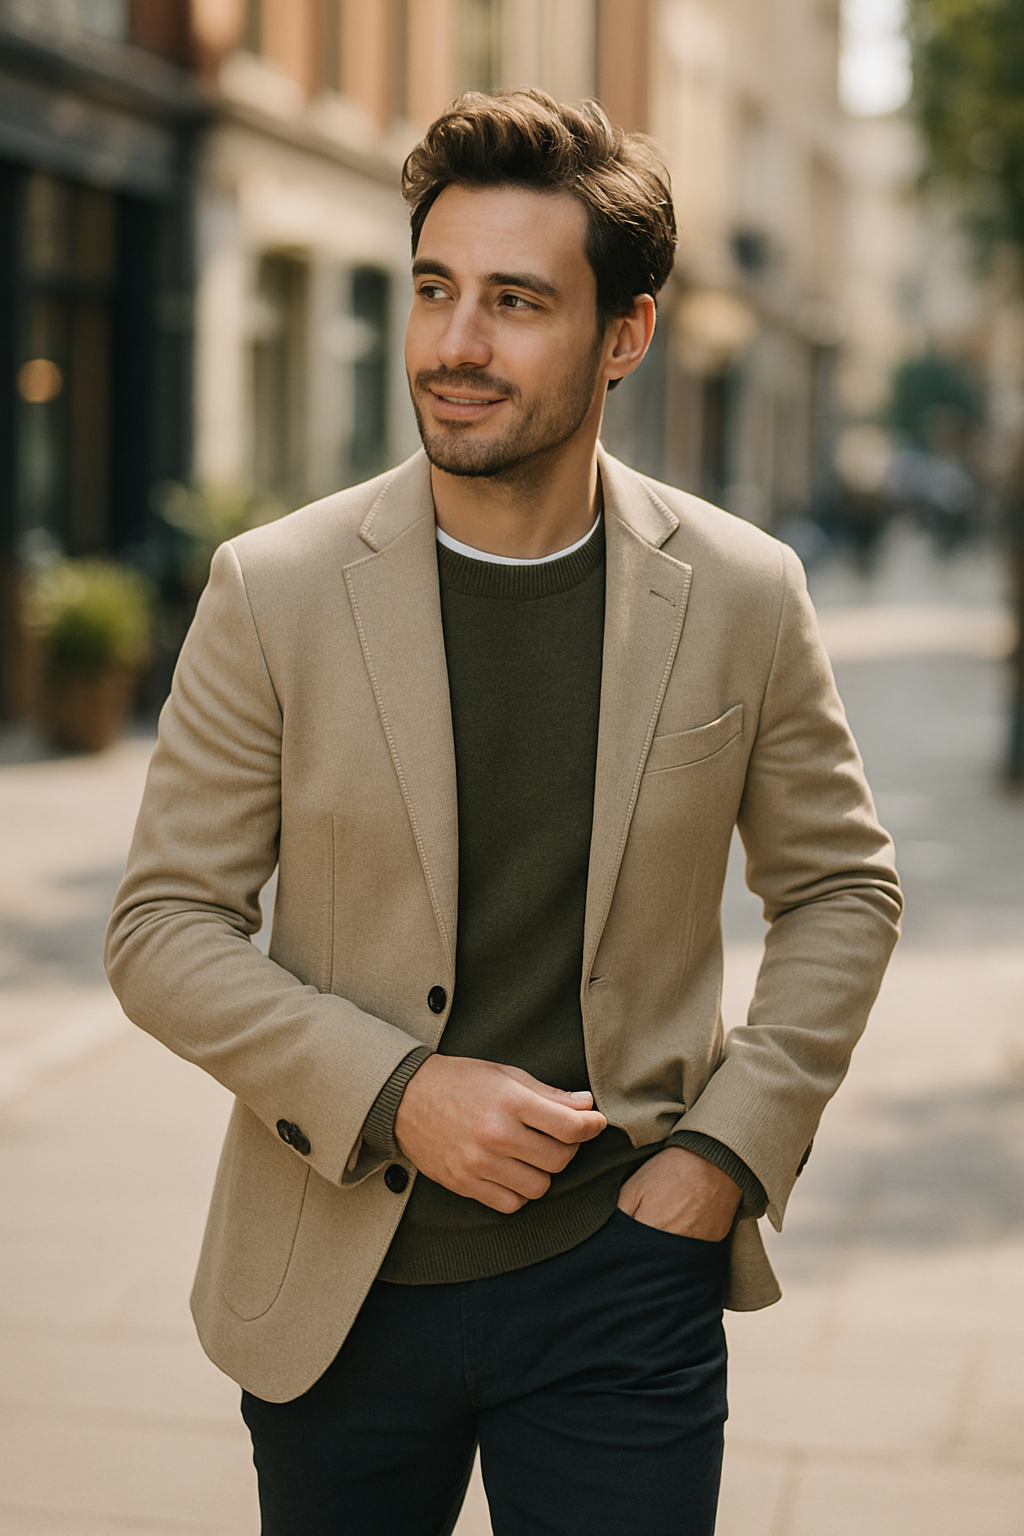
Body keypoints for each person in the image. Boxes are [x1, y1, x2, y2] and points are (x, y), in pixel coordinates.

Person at [106, 89, 901, 1536]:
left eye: (516, 302)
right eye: (434, 290)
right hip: (337, 1287)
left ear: (625, 336)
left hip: (624, 1281)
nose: (455, 345)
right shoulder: (270, 590)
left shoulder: (741, 592)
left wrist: (728, 1153)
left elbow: (843, 885)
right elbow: (163, 928)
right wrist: (399, 1090)